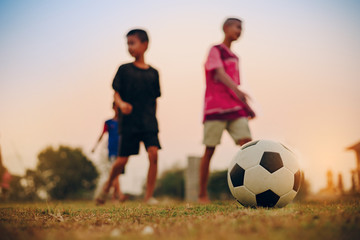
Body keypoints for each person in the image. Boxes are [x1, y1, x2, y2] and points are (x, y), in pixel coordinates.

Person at [96, 29, 161, 205]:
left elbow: (155, 99)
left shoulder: (153, 73)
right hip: (129, 121)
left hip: (148, 121)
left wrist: (154, 119)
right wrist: (121, 104)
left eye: (133, 43)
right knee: (121, 161)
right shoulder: (124, 70)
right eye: (127, 44)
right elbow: (116, 94)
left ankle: (149, 196)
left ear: (145, 44)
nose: (129, 47)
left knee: (153, 154)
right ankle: (107, 187)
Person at [199, 18, 256, 203]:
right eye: (237, 27)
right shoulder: (216, 50)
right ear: (225, 28)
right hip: (215, 107)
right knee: (209, 149)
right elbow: (219, 74)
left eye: (242, 28)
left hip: (235, 108)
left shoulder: (235, 57)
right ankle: (202, 194)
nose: (239, 31)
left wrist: (246, 107)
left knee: (248, 146)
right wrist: (239, 91)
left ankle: (254, 189)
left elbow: (235, 85)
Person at [92, 102, 127, 201]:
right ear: (113, 108)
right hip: (112, 150)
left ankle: (113, 196)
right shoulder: (108, 122)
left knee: (117, 174)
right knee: (115, 173)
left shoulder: (124, 122)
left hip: (123, 151)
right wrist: (95, 147)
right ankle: (119, 195)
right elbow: (102, 134)